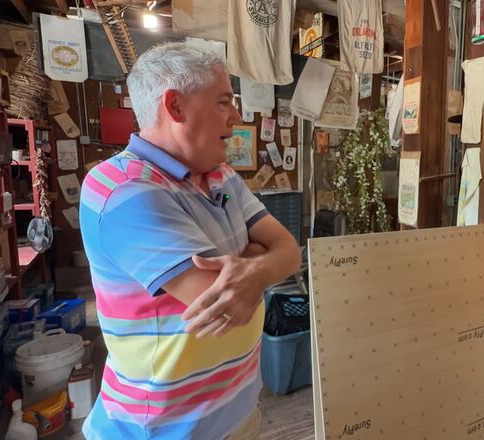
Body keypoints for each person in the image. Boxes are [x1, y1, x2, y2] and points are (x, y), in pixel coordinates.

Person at [78, 43, 301, 439]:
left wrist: (253, 268)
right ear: (175, 107)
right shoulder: (123, 189)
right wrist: (255, 256)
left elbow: (289, 251)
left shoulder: (224, 178)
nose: (236, 116)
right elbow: (223, 304)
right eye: (223, 101)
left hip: (238, 413)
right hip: (162, 430)